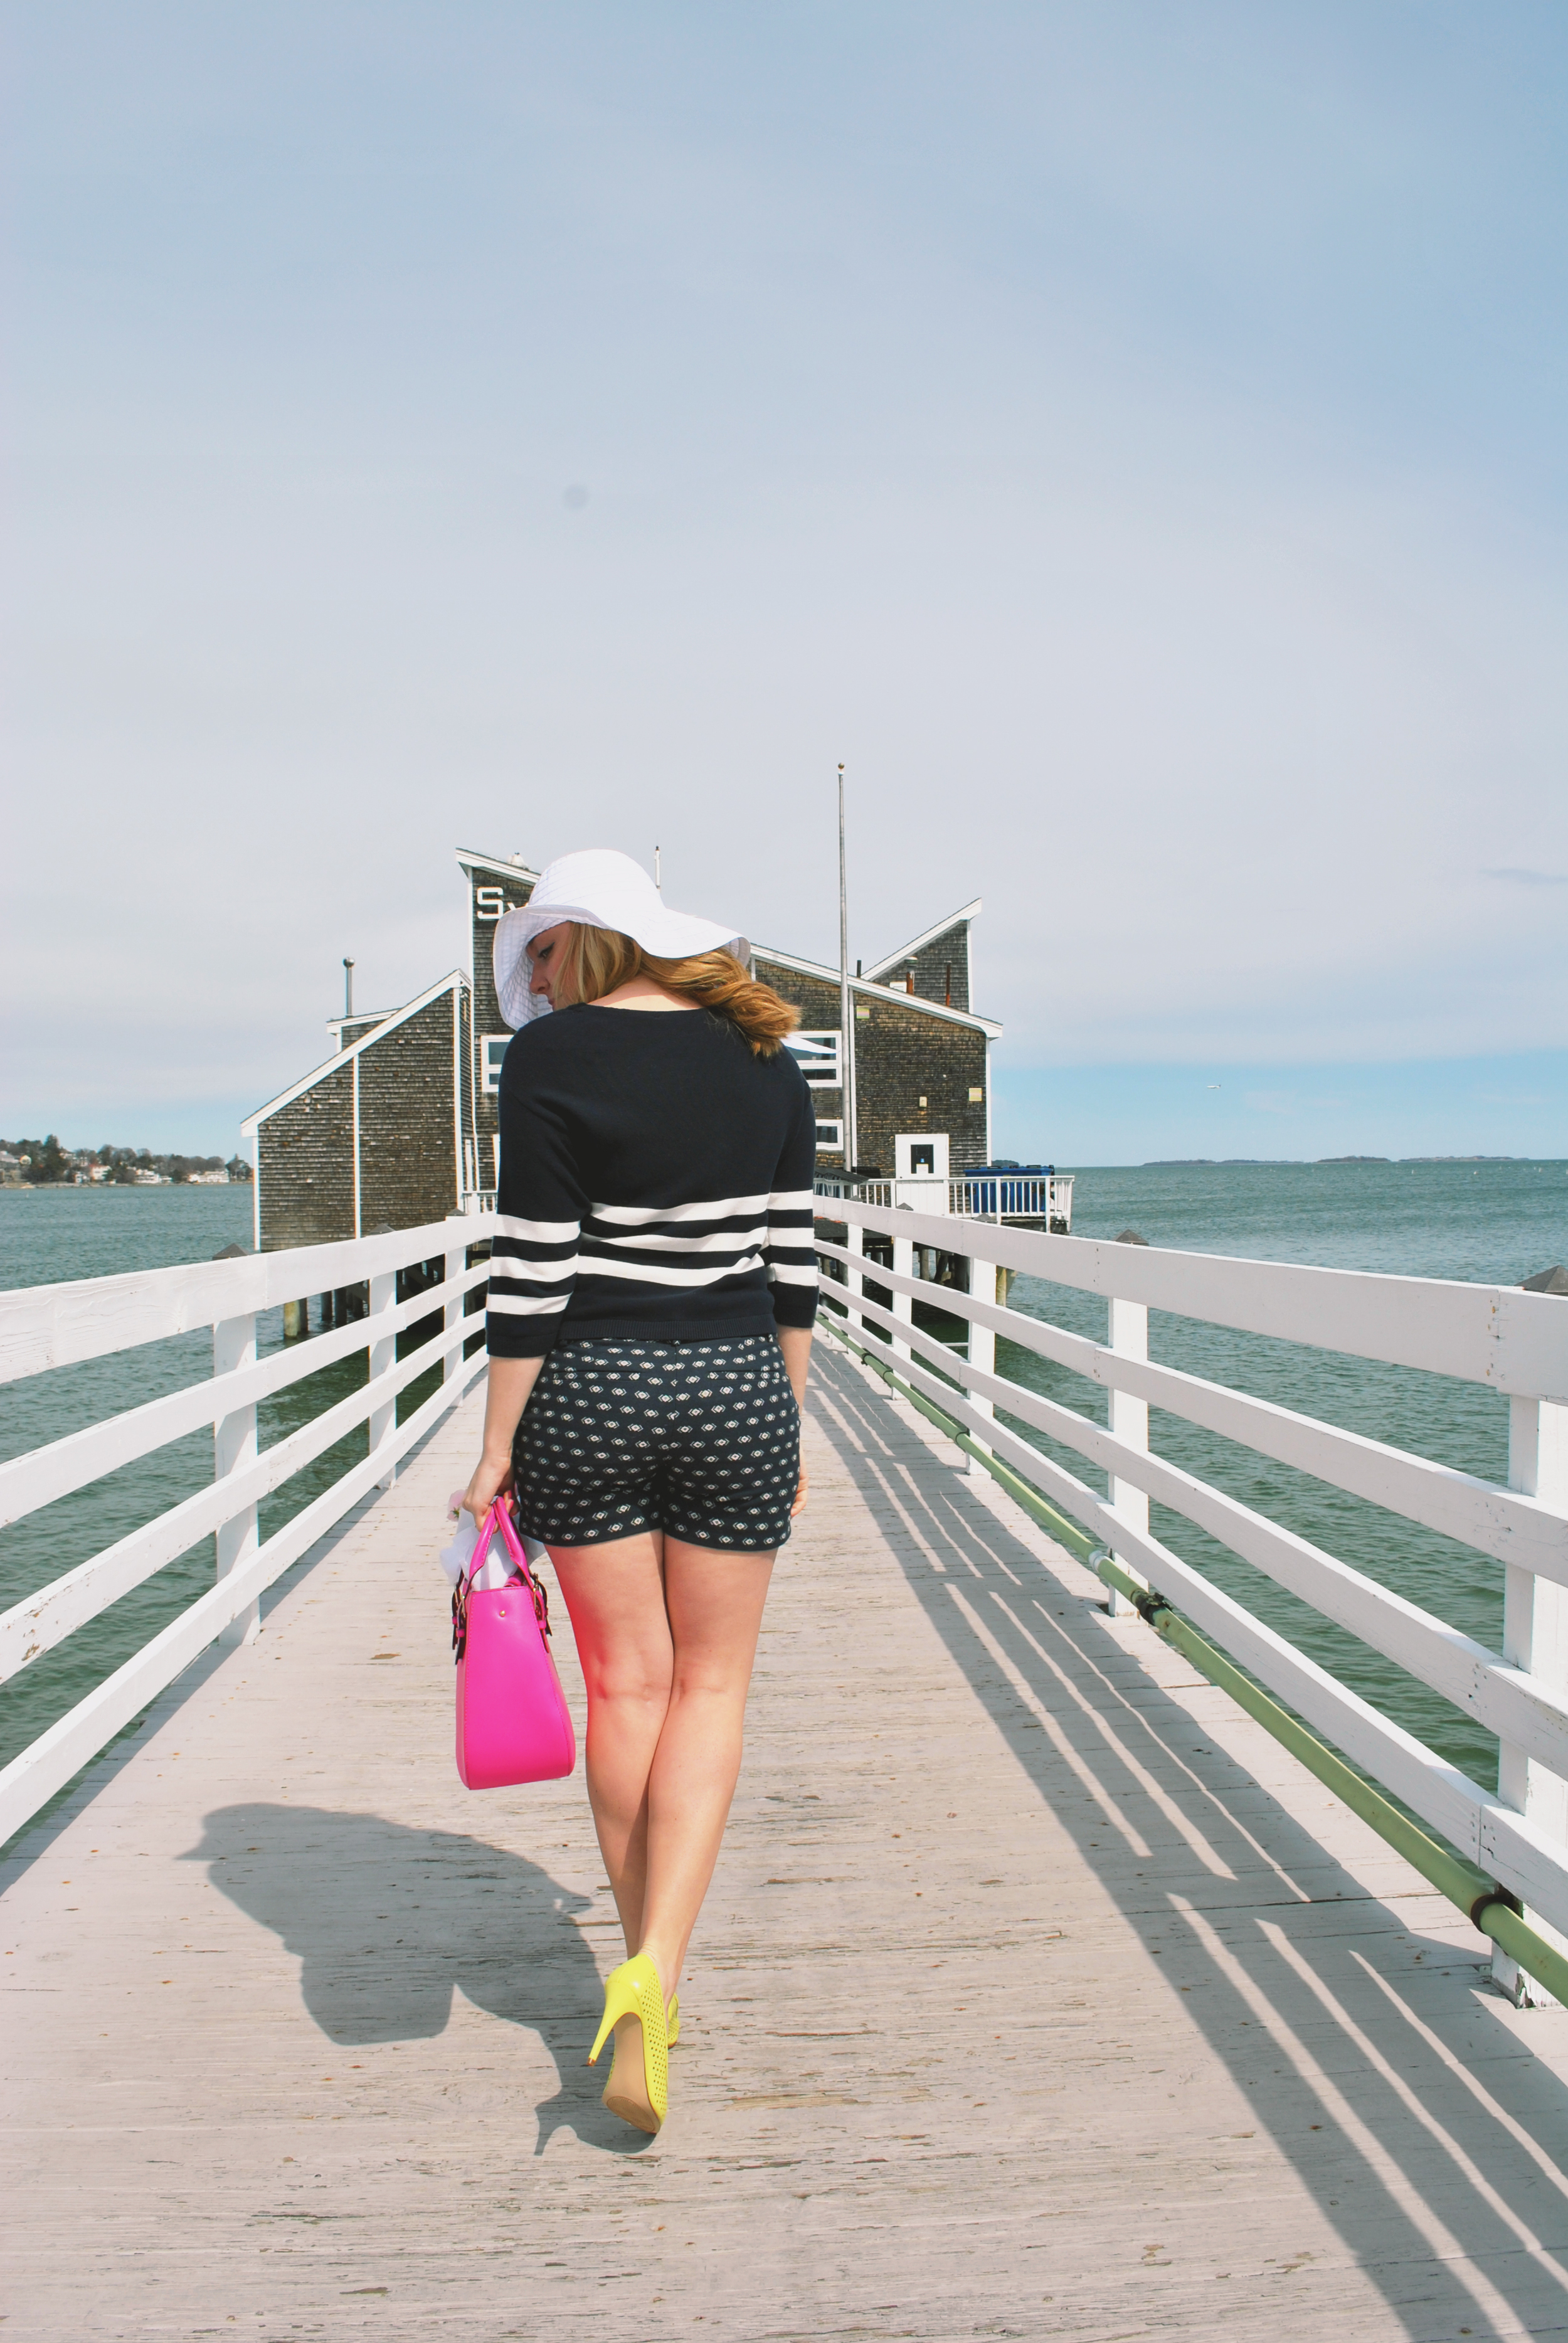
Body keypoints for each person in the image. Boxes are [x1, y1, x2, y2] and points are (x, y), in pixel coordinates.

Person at [462, 848, 818, 2137]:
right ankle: (659, 1965)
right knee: (712, 1689)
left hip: (589, 1391)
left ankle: (640, 1971)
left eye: (538, 954)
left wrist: (496, 1442)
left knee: (627, 1687)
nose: (533, 982)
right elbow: (793, 1259)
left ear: (585, 936)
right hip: (733, 1384)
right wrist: (782, 1407)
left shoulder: (547, 1062)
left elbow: (532, 1273)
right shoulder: (762, 1051)